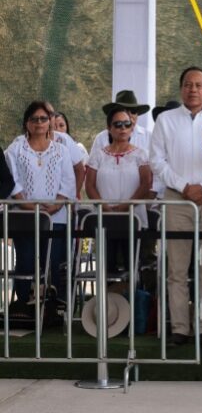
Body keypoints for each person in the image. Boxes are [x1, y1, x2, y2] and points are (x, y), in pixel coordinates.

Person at [150, 66, 202, 345]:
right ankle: (179, 328)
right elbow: (157, 160)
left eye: (199, 85)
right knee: (177, 267)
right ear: (181, 88)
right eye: (188, 84)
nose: (193, 90)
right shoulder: (165, 120)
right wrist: (184, 186)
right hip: (176, 197)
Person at [6, 101, 75, 304]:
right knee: (26, 261)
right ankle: (23, 306)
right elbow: (12, 180)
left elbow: (68, 181)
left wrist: (57, 205)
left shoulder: (61, 150)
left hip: (56, 217)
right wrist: (26, 205)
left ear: (49, 122)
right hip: (24, 217)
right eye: (34, 119)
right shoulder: (15, 150)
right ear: (26, 123)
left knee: (52, 263)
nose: (39, 123)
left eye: (43, 119)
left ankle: (51, 309)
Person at [85, 106, 151, 272]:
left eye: (127, 124)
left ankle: (133, 290)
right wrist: (104, 206)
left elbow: (146, 183)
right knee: (106, 268)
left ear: (132, 127)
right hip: (104, 218)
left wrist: (127, 205)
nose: (123, 128)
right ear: (109, 127)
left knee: (133, 268)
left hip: (133, 218)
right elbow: (89, 185)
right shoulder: (98, 155)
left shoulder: (141, 154)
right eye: (118, 124)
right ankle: (107, 291)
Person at [91, 90, 159, 198]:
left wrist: (151, 193)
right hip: (106, 199)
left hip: (141, 200)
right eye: (124, 111)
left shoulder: (149, 137)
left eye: (133, 111)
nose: (129, 115)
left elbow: (157, 168)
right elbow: (91, 176)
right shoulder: (101, 138)